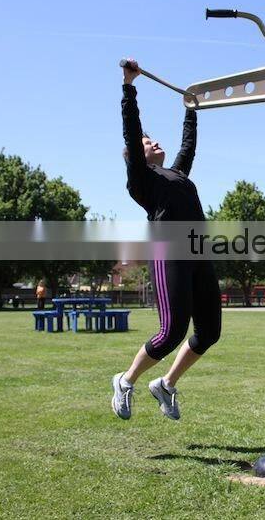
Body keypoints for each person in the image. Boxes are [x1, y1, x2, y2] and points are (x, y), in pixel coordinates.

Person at [111, 58, 222, 421]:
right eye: (148, 142)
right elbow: (131, 130)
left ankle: (166, 384)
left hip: (198, 251)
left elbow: (187, 148)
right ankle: (126, 381)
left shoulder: (176, 174)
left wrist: (191, 111)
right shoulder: (142, 182)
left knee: (209, 332)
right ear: (135, 158)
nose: (154, 141)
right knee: (172, 331)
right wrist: (129, 86)